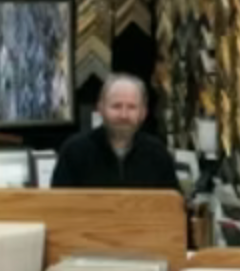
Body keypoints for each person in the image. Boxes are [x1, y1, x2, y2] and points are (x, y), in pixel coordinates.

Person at [52, 74, 181, 191]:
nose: (123, 115)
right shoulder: (74, 152)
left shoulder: (158, 154)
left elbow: (173, 209)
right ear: (100, 108)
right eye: (116, 106)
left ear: (143, 113)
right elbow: (58, 208)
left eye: (132, 107)